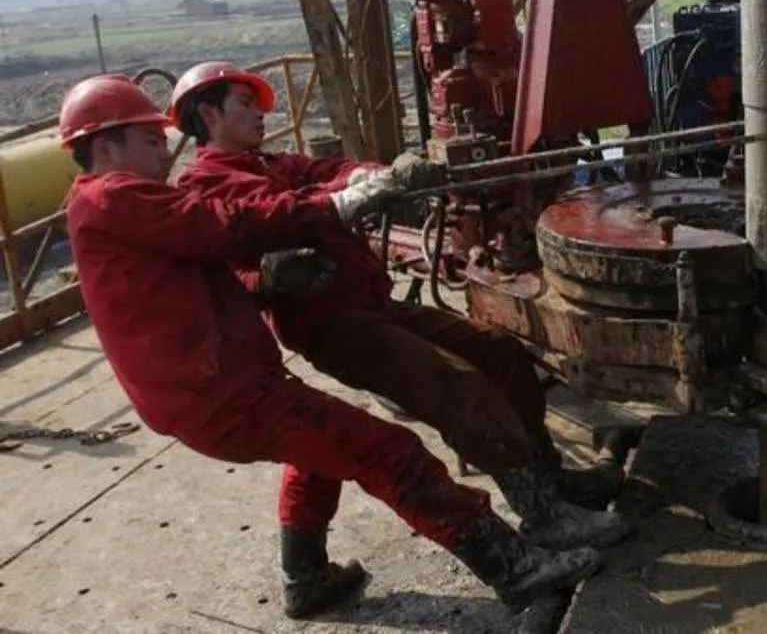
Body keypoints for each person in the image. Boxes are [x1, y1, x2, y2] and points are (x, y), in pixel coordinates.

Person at [60, 74, 601, 620]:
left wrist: (368, 177)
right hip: (230, 384)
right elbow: (231, 230)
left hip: (244, 372)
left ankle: (307, 576)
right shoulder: (127, 197)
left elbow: (309, 182)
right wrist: (320, 222)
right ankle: (517, 566)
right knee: (393, 447)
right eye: (149, 139)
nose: (162, 148)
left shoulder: (253, 167)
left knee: (330, 444)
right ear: (106, 146)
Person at [167, 61, 629, 554]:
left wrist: (372, 174)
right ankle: (543, 517)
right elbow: (277, 218)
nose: (260, 114)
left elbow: (326, 172)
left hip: (372, 305)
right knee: (458, 386)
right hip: (333, 325)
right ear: (208, 113)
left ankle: (549, 479)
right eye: (246, 104)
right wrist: (346, 201)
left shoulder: (271, 163)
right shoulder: (205, 190)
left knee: (498, 352)